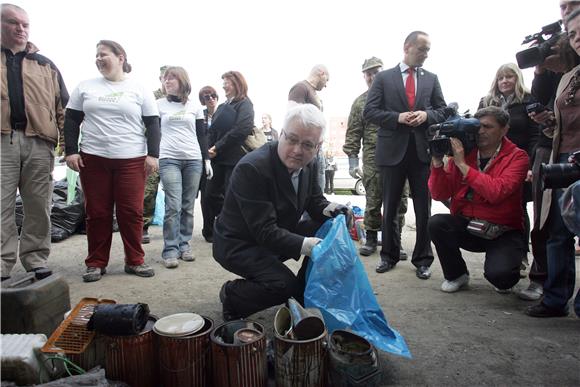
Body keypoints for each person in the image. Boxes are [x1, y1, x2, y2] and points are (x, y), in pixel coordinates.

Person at [213, 103, 351, 321]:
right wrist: (310, 246)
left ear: (318, 147)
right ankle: (232, 295)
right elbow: (265, 232)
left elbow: (315, 201)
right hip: (239, 243)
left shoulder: (310, 164)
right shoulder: (252, 168)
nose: (297, 150)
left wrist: (331, 210)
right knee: (283, 286)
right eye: (292, 139)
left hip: (276, 231)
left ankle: (302, 291)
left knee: (326, 227)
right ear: (282, 133)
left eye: (307, 144)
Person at [64, 40, 160, 282]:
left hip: (131, 160)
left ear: (121, 57)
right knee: (97, 212)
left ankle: (135, 260)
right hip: (94, 159)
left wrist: (153, 154)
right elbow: (72, 120)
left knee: (131, 212)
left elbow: (153, 123)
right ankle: (96, 263)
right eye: (96, 55)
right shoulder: (85, 87)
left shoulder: (138, 88)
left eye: (103, 54)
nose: (98, 59)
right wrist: (70, 151)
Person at [363, 31, 448, 279]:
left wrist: (426, 115)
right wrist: (397, 118)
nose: (426, 54)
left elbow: (443, 110)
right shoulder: (384, 79)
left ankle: (423, 258)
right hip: (391, 151)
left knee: (423, 207)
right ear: (407, 47)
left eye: (428, 50)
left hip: (422, 151)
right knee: (389, 206)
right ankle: (388, 255)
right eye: (422, 49)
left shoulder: (431, 79)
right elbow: (370, 112)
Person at [428, 106, 529, 293]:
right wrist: (437, 163)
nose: (481, 131)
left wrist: (462, 165)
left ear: (505, 129)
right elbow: (439, 194)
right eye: (477, 127)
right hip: (470, 226)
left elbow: (496, 192)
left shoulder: (518, 157)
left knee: (502, 279)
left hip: (502, 231)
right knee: (436, 223)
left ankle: (509, 266)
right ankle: (456, 274)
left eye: (487, 127)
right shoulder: (466, 153)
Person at [1, 3, 68, 281]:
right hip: (2, 141)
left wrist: (68, 146)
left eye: (25, 24)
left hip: (39, 143)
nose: (21, 29)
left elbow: (62, 106)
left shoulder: (45, 64)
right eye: (13, 23)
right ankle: (2, 264)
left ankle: (36, 258)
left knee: (39, 205)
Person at [520, 0, 580, 301]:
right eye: (572, 34)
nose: (577, 37)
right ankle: (555, 297)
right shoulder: (567, 77)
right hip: (562, 154)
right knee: (556, 230)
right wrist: (548, 121)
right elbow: (554, 111)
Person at [343, 56, 409, 257]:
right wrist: (353, 160)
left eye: (376, 72)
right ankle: (371, 239)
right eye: (369, 73)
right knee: (374, 199)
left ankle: (395, 241)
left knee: (400, 200)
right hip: (373, 158)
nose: (373, 76)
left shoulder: (398, 97)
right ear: (364, 76)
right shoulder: (360, 102)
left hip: (399, 155)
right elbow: (353, 132)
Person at [478, 63, 540, 278]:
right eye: (501, 77)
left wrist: (530, 165)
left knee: (518, 206)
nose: (505, 81)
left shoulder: (529, 101)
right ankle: (493, 248)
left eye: (509, 77)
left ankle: (520, 253)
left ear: (517, 79)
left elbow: (535, 135)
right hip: (489, 162)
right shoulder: (486, 102)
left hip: (517, 163)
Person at [157, 67, 212, 268]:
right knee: (173, 205)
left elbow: (201, 135)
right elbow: (154, 133)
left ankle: (184, 244)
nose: (167, 81)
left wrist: (206, 159)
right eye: (165, 78)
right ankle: (170, 249)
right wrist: (152, 156)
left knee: (188, 205)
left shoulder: (195, 107)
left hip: (193, 159)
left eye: (172, 77)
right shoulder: (158, 105)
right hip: (168, 158)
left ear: (182, 80)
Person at [205, 71, 254, 238]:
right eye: (223, 82)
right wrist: (208, 148)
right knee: (210, 194)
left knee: (231, 195)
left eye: (228, 82)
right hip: (217, 159)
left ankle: (233, 230)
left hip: (235, 159)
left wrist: (218, 146)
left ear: (237, 84)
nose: (224, 85)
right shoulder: (222, 106)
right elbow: (213, 130)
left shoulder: (245, 104)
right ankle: (226, 223)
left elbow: (241, 130)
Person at [288, 64, 329, 192]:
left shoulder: (313, 93)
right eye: (327, 80)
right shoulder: (300, 88)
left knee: (317, 191)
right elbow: (292, 119)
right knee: (306, 193)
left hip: (316, 149)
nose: (326, 85)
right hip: (307, 150)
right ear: (321, 73)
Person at [142, 65, 167, 244]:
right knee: (148, 191)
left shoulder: (182, 100)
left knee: (175, 193)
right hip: (154, 152)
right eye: (164, 77)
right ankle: (143, 226)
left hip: (174, 152)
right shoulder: (152, 97)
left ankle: (173, 229)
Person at [198, 85, 220, 243]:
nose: (211, 98)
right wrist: (205, 152)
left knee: (222, 196)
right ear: (202, 101)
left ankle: (222, 226)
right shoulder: (200, 115)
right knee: (206, 196)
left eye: (213, 95)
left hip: (221, 158)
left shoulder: (224, 113)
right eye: (207, 97)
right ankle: (208, 229)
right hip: (204, 160)